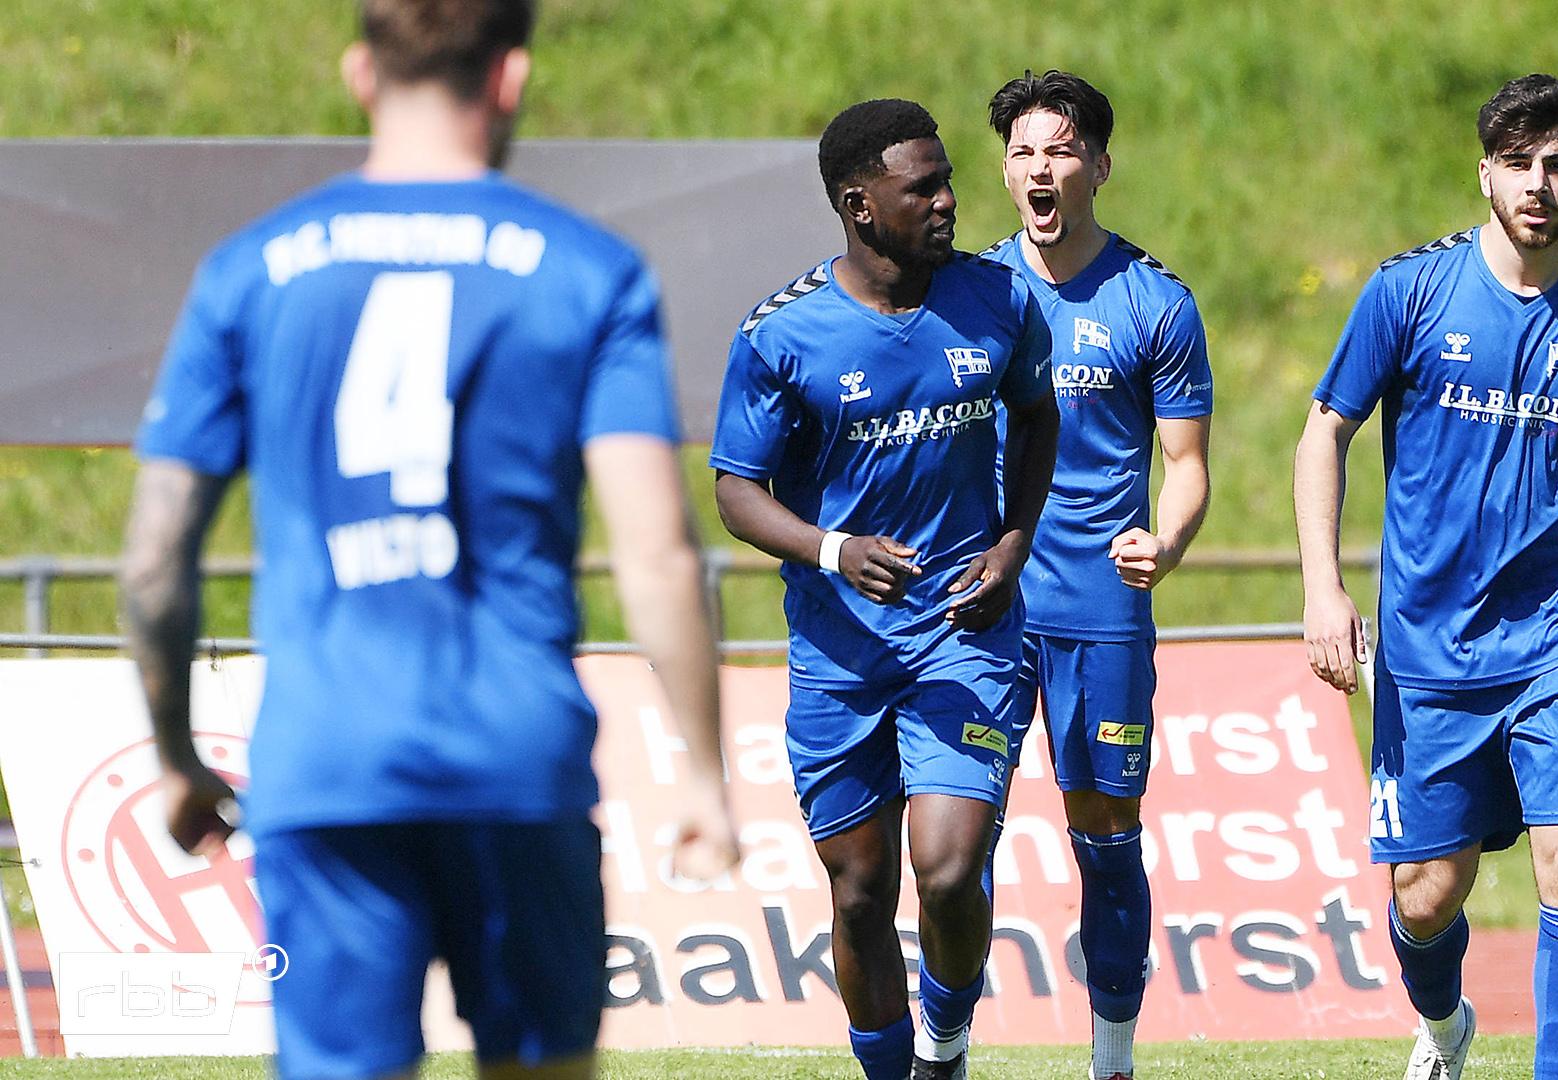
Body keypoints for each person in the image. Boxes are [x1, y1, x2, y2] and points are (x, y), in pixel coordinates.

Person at [119, 3, 738, 1077]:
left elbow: (154, 557)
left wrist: (176, 758)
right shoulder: (588, 270)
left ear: (361, 74)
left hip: (327, 758)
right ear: (511, 79)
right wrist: (704, 773)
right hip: (514, 757)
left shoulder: (249, 270)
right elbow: (657, 553)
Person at [1294, 74, 1558, 1080]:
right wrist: (1323, 586)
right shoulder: (1408, 292)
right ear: (1484, 173)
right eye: (1519, 164)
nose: (1539, 184)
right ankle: (1444, 1025)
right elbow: (1325, 432)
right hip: (1431, 642)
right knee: (1425, 896)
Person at [709, 98, 1057, 1080]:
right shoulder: (782, 335)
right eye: (924, 188)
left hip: (964, 633)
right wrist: (833, 551)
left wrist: (1013, 544)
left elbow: (1037, 417)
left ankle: (945, 1045)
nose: (949, 201)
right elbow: (736, 490)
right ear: (860, 205)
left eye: (948, 181)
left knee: (947, 873)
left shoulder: (998, 300)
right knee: (861, 894)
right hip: (841, 654)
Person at [980, 70, 1212, 1080]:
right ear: (1005, 171)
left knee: (1105, 831)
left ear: (1100, 168)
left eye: (1061, 150)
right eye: (1024, 152)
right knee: (956, 835)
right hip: (982, 607)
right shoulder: (969, 293)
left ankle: (1112, 1060)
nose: (1042, 168)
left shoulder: (1155, 301)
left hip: (1100, 610)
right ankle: (943, 1051)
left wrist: (1168, 541)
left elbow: (1187, 463)